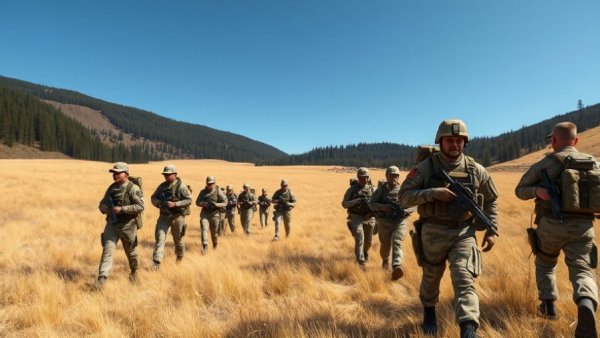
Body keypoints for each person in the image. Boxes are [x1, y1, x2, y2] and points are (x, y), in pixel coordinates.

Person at [399, 119, 499, 337]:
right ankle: (429, 312)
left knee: (465, 279)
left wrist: (492, 230)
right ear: (440, 142)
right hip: (432, 232)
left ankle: (469, 328)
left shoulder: (475, 169)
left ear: (465, 142)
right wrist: (433, 193)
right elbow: (404, 197)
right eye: (450, 141)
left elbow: (491, 200)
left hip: (464, 232)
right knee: (431, 276)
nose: (455, 145)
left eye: (459, 141)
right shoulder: (426, 168)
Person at [515, 122, 598, 337]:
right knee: (582, 269)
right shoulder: (593, 163)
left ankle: (549, 307)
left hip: (550, 226)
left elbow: (520, 191)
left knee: (545, 263)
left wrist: (537, 190)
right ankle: (587, 303)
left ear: (553, 141)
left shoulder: (544, 164)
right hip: (583, 227)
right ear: (576, 140)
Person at [94, 162, 144, 289]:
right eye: (113, 173)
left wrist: (121, 210)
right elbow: (102, 203)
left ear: (126, 174)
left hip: (128, 226)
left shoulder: (133, 189)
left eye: (117, 173)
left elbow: (140, 206)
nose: (114, 175)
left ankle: (134, 272)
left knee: (131, 253)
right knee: (107, 249)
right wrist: (103, 208)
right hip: (112, 224)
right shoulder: (111, 188)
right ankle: (102, 278)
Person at [371, 165, 410, 279]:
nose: (393, 178)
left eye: (395, 175)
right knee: (385, 246)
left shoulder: (404, 189)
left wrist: (407, 211)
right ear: (386, 176)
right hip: (384, 223)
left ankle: (397, 265)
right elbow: (372, 204)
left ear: (398, 176)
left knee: (397, 241)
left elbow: (414, 204)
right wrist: (383, 207)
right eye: (391, 175)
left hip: (399, 221)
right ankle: (385, 260)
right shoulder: (381, 190)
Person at [149, 165, 191, 270]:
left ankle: (180, 256)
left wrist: (175, 204)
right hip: (164, 217)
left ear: (175, 174)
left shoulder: (181, 186)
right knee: (160, 238)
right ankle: (156, 262)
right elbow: (153, 197)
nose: (166, 176)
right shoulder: (162, 186)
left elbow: (189, 200)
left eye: (168, 174)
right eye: (165, 175)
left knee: (178, 240)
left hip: (177, 217)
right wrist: (157, 202)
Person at [341, 167, 375, 268]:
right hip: (356, 216)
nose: (363, 179)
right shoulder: (352, 189)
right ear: (358, 177)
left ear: (368, 177)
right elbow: (344, 204)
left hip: (369, 217)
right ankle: (360, 261)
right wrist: (355, 201)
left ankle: (364, 251)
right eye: (361, 177)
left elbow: (378, 202)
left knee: (368, 242)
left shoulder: (373, 189)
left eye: (365, 177)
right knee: (360, 236)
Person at [195, 176, 227, 254]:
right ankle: (204, 245)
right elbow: (197, 202)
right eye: (208, 183)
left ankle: (215, 245)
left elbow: (225, 202)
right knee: (204, 229)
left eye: (211, 183)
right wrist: (202, 203)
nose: (210, 185)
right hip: (205, 214)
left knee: (214, 234)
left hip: (215, 215)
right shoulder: (203, 192)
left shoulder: (218, 191)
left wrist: (216, 204)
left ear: (214, 183)